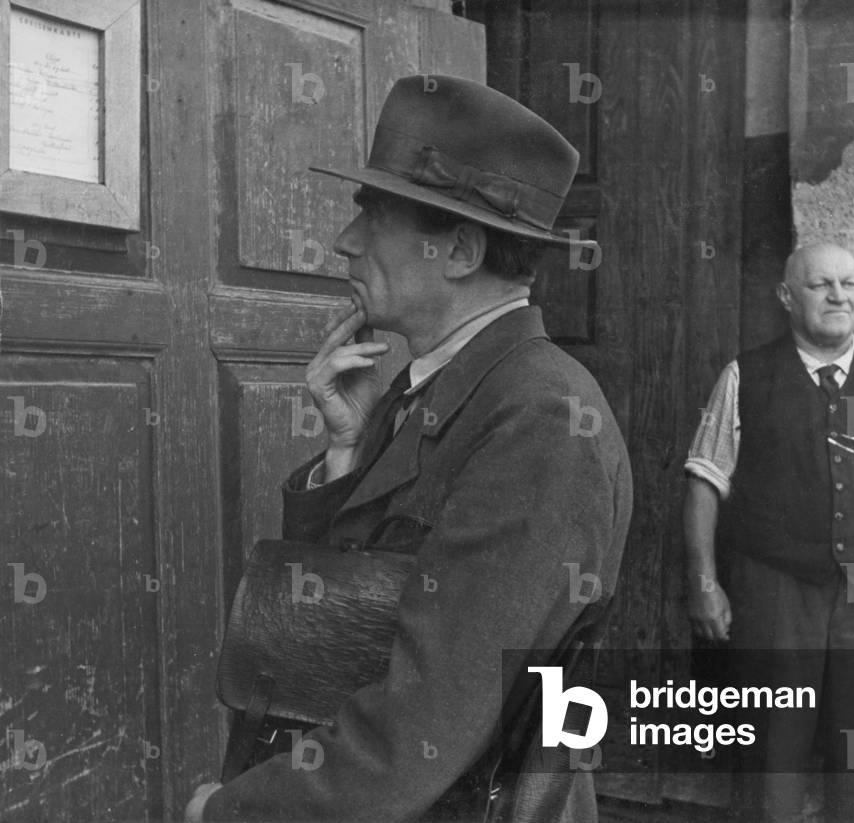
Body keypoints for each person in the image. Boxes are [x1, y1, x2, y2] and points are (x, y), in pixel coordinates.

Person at [186, 75, 632, 822]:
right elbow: (331, 629)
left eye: (375, 214)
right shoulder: (438, 384)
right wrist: (345, 453)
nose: (344, 240)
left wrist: (230, 810)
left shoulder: (543, 421)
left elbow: (421, 729)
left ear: (458, 248)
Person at [682, 243, 854, 823]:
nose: (840, 296)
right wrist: (704, 583)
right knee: (771, 749)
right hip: (775, 592)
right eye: (821, 285)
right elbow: (704, 483)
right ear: (787, 297)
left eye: (850, 284)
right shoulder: (745, 378)